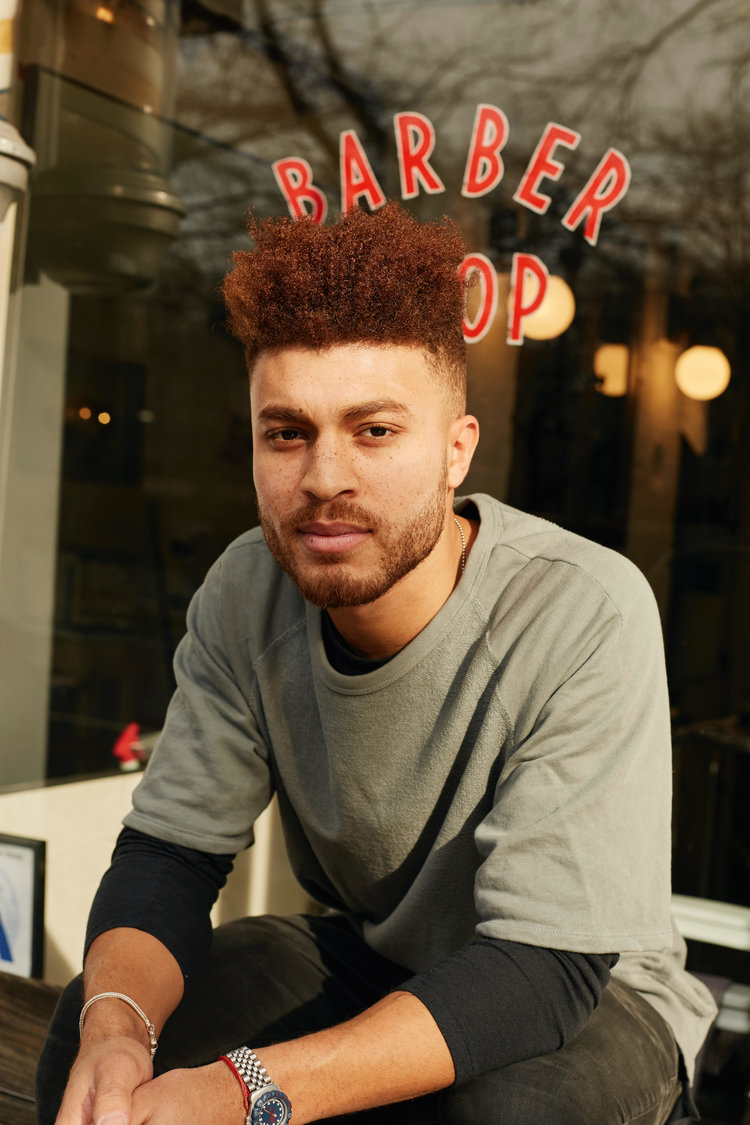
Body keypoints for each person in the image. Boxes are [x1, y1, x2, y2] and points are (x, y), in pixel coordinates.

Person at [38, 203, 716, 1125]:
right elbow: (171, 855)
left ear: (455, 451)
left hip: (592, 989)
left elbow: (543, 969)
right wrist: (118, 1032)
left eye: (375, 431)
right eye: (287, 432)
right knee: (86, 1055)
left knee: (505, 1111)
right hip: (374, 956)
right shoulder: (247, 589)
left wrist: (251, 1091)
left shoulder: (583, 610)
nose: (324, 477)